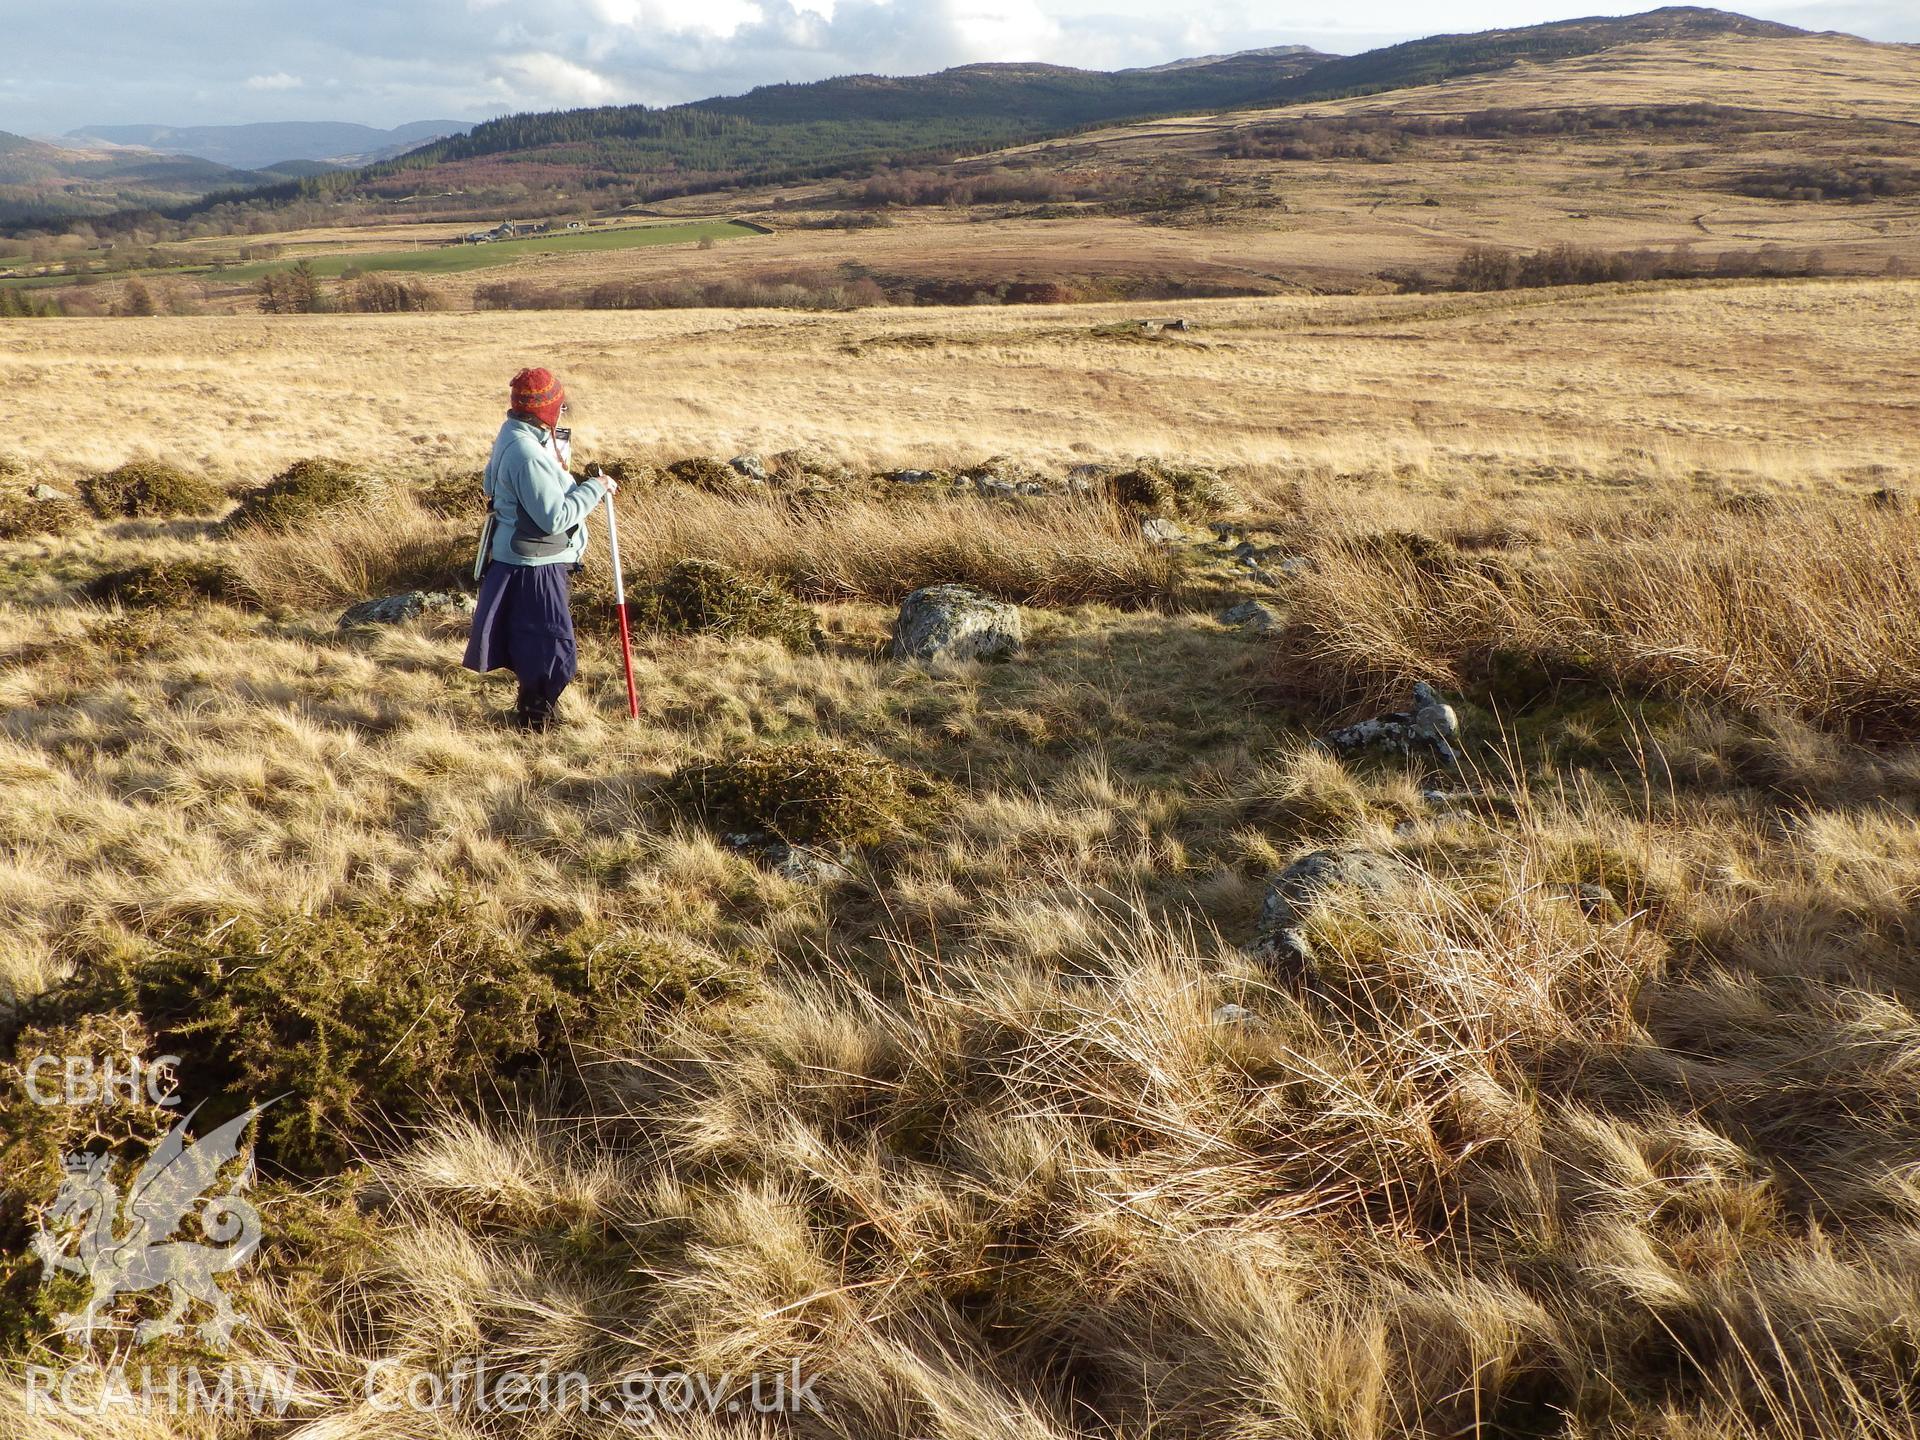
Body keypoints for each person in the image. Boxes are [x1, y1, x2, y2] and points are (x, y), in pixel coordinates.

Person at [462, 367, 616, 730]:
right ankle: (536, 721)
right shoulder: (527, 454)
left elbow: (490, 482)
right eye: (559, 407)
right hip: (536, 561)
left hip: (519, 557)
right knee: (551, 646)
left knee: (532, 640)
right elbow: (554, 517)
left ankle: (532, 713)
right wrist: (595, 488)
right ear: (544, 410)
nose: (562, 413)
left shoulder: (512, 434)